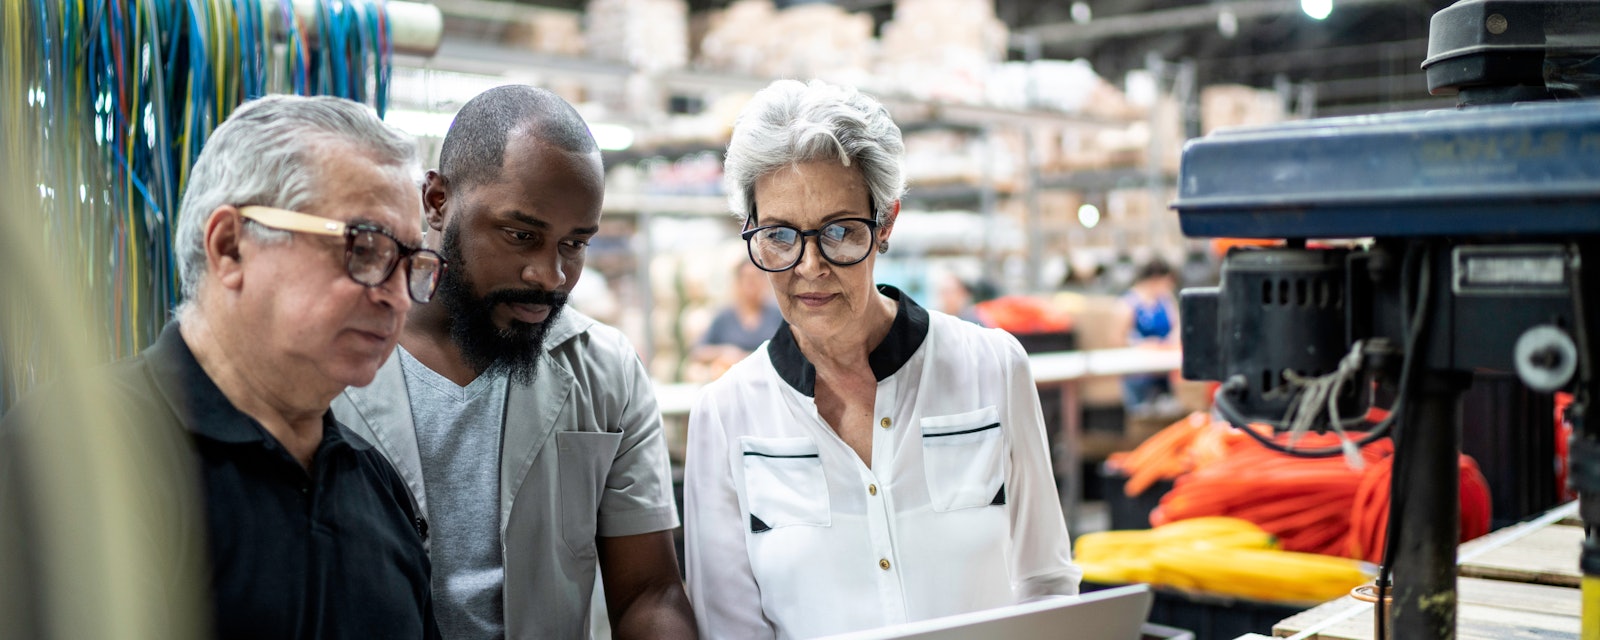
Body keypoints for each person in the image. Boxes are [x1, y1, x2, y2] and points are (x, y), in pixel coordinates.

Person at [2, 95, 443, 638]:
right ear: (230, 246)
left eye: (412, 265)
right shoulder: (77, 450)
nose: (397, 297)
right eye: (366, 249)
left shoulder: (378, 491)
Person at [683, 79, 1081, 639]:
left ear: (887, 222)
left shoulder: (992, 368)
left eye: (841, 231)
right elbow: (730, 628)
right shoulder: (727, 414)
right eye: (779, 235)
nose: (809, 266)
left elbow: (1047, 583)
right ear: (751, 231)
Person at [331, 85, 695, 640]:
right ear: (436, 201)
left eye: (574, 245)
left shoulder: (606, 371)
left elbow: (650, 589)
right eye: (521, 235)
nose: (549, 276)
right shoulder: (330, 358)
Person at [690, 259, 784, 378]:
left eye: (757, 277)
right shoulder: (724, 317)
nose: (752, 283)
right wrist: (724, 351)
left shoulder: (777, 315)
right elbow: (698, 351)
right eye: (747, 278)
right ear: (738, 282)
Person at [1115, 257, 1181, 411]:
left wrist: (1171, 340)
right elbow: (1117, 339)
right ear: (1155, 280)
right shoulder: (1128, 304)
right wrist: (1142, 345)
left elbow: (1177, 325)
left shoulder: (1166, 300)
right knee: (1142, 411)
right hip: (1139, 372)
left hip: (1164, 368)